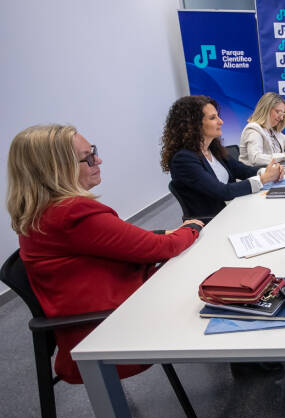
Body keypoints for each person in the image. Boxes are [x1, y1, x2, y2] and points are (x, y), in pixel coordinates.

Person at [7, 124, 204, 384]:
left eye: (94, 152)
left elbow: (121, 240)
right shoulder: (72, 214)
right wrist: (192, 227)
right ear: (57, 169)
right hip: (109, 328)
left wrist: (167, 234)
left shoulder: (43, 212)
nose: (97, 160)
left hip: (93, 319)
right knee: (205, 276)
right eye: (87, 157)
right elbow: (159, 248)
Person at [161, 95, 284, 219]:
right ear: (194, 124)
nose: (221, 121)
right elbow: (223, 192)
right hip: (216, 220)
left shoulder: (212, 149)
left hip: (233, 208)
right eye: (213, 118)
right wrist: (263, 179)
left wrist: (266, 171)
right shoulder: (183, 159)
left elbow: (240, 169)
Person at [239, 92, 285, 166]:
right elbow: (255, 158)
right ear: (266, 109)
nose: (281, 118)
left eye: (283, 114)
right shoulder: (253, 130)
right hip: (255, 175)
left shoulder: (271, 129)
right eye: (277, 112)